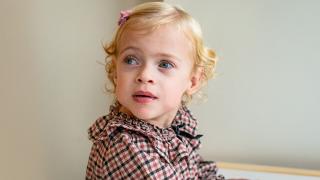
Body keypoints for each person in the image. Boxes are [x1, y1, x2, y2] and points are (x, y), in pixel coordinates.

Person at [86, 2, 225, 179]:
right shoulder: (126, 145)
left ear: (192, 81)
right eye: (131, 60)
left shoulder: (173, 124)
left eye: (165, 64)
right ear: (115, 73)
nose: (145, 75)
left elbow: (194, 170)